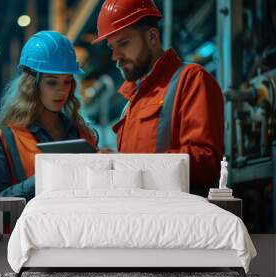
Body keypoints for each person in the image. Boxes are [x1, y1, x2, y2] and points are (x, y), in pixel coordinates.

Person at [93, 0, 224, 191]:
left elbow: (206, 164)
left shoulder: (191, 80)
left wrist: (128, 164)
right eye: (112, 47)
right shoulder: (131, 104)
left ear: (152, 37)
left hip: (179, 217)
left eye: (123, 43)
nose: (115, 56)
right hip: (142, 216)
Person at [0, 31, 97, 216]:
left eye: (67, 82)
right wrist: (43, 179)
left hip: (75, 239)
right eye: (52, 83)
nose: (62, 91)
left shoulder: (85, 136)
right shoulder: (4, 140)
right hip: (26, 241)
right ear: (31, 85)